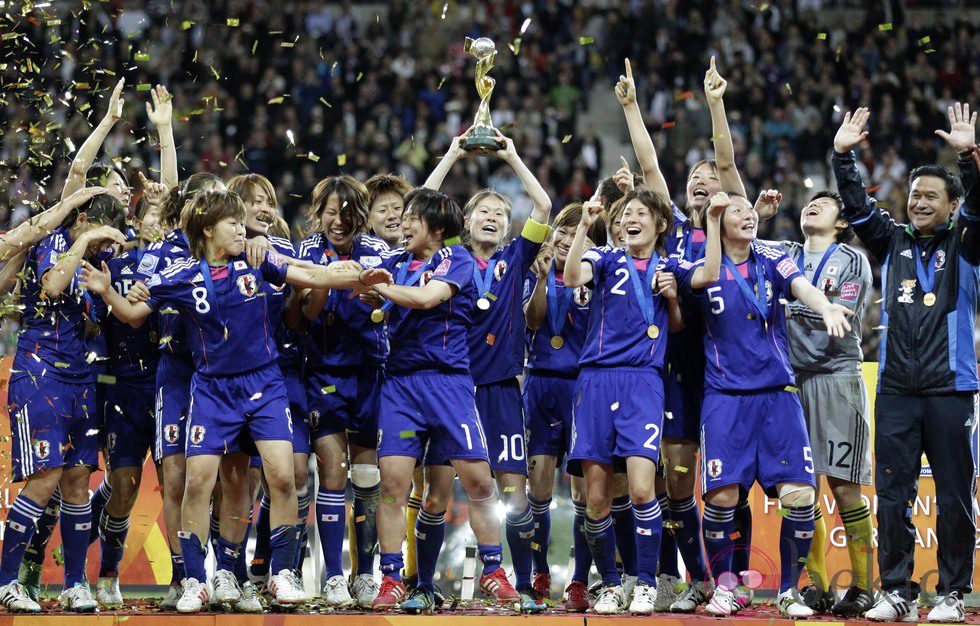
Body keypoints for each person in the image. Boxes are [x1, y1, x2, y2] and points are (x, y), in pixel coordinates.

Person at [81, 189, 392, 612]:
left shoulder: (259, 260)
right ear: (208, 230)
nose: (240, 228)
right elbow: (134, 314)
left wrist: (358, 277)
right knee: (199, 483)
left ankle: (282, 575)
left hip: (265, 386)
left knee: (283, 477)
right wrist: (105, 290)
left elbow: (313, 278)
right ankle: (195, 580)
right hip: (211, 390)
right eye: (232, 222)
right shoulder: (181, 275)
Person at [671, 191, 853, 618]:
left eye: (749, 210)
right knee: (721, 498)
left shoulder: (772, 257)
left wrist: (825, 305)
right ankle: (726, 587)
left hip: (777, 396)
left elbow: (801, 285)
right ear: (717, 221)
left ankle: (789, 591)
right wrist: (713, 221)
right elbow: (704, 275)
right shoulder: (695, 265)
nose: (748, 215)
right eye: (736, 211)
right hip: (725, 398)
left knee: (800, 496)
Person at [832, 104, 980, 623]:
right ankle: (897, 590)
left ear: (953, 205)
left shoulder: (969, 244)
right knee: (893, 496)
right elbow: (854, 207)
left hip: (950, 388)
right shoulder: (891, 241)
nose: (918, 202)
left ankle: (953, 592)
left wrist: (967, 158)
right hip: (894, 387)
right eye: (914, 195)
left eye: (929, 196)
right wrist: (843, 156)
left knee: (955, 497)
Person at [365, 187, 519, 614]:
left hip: (449, 385)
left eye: (413, 217)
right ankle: (392, 577)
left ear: (434, 226)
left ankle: (492, 569)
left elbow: (427, 298)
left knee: (479, 482)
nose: (403, 222)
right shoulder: (394, 262)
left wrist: (381, 288)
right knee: (393, 485)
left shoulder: (458, 260)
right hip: (401, 387)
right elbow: (366, 283)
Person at [422, 131, 552, 612]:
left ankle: (518, 587)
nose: (494, 218)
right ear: (465, 222)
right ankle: (422, 585)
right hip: (449, 389)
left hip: (499, 391)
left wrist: (513, 155)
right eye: (484, 212)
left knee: (512, 494)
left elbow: (542, 203)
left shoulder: (516, 260)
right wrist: (453, 153)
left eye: (501, 213)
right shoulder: (452, 253)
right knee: (435, 492)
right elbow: (427, 202)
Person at [0, 191, 128, 613]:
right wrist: (82, 243)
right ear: (85, 218)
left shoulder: (97, 263)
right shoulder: (53, 240)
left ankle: (75, 584)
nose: (103, 248)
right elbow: (53, 286)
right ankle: (6, 582)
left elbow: (93, 325)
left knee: (77, 480)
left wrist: (105, 292)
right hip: (41, 372)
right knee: (45, 477)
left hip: (82, 378)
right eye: (101, 237)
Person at [562, 188, 688, 614]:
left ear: (660, 224)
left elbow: (678, 324)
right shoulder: (605, 258)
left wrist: (672, 296)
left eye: (640, 213)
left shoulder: (671, 266)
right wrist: (583, 225)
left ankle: (648, 583)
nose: (631, 219)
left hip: (644, 383)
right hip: (595, 381)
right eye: (626, 213)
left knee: (640, 490)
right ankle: (612, 584)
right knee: (596, 498)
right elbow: (570, 278)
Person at [764, 190, 876, 617]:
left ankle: (864, 587)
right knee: (802, 489)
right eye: (808, 201)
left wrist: (783, 305)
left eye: (824, 204)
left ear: (841, 221)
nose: (811, 204)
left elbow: (840, 313)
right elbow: (744, 252)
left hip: (837, 378)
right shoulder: (786, 252)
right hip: (791, 382)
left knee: (844, 487)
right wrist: (757, 213)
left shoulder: (853, 260)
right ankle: (817, 586)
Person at [296, 175, 389, 608]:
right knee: (332, 472)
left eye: (347, 212)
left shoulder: (380, 252)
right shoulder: (306, 252)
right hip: (324, 371)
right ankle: (334, 576)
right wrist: (325, 282)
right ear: (319, 213)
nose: (338, 220)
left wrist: (380, 303)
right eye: (330, 212)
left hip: (370, 371)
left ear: (361, 214)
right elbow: (302, 317)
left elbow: (393, 307)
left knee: (367, 475)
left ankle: (364, 576)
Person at [522, 202, 607, 611]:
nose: (566, 240)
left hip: (582, 387)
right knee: (537, 488)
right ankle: (539, 570)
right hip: (540, 384)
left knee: (581, 492)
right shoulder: (534, 273)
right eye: (562, 232)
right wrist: (541, 282)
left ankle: (578, 579)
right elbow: (534, 322)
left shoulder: (598, 278)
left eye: (579, 235)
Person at [91, 189, 169, 607]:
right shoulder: (113, 265)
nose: (158, 221)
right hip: (122, 386)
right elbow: (91, 320)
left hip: (170, 383)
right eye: (150, 214)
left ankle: (184, 578)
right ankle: (108, 574)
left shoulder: (178, 265)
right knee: (124, 485)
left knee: (175, 485)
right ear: (135, 223)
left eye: (164, 213)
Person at [365, 173, 412, 247]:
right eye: (382, 210)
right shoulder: (358, 253)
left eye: (397, 208)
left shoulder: (425, 253)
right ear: (367, 220)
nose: (391, 215)